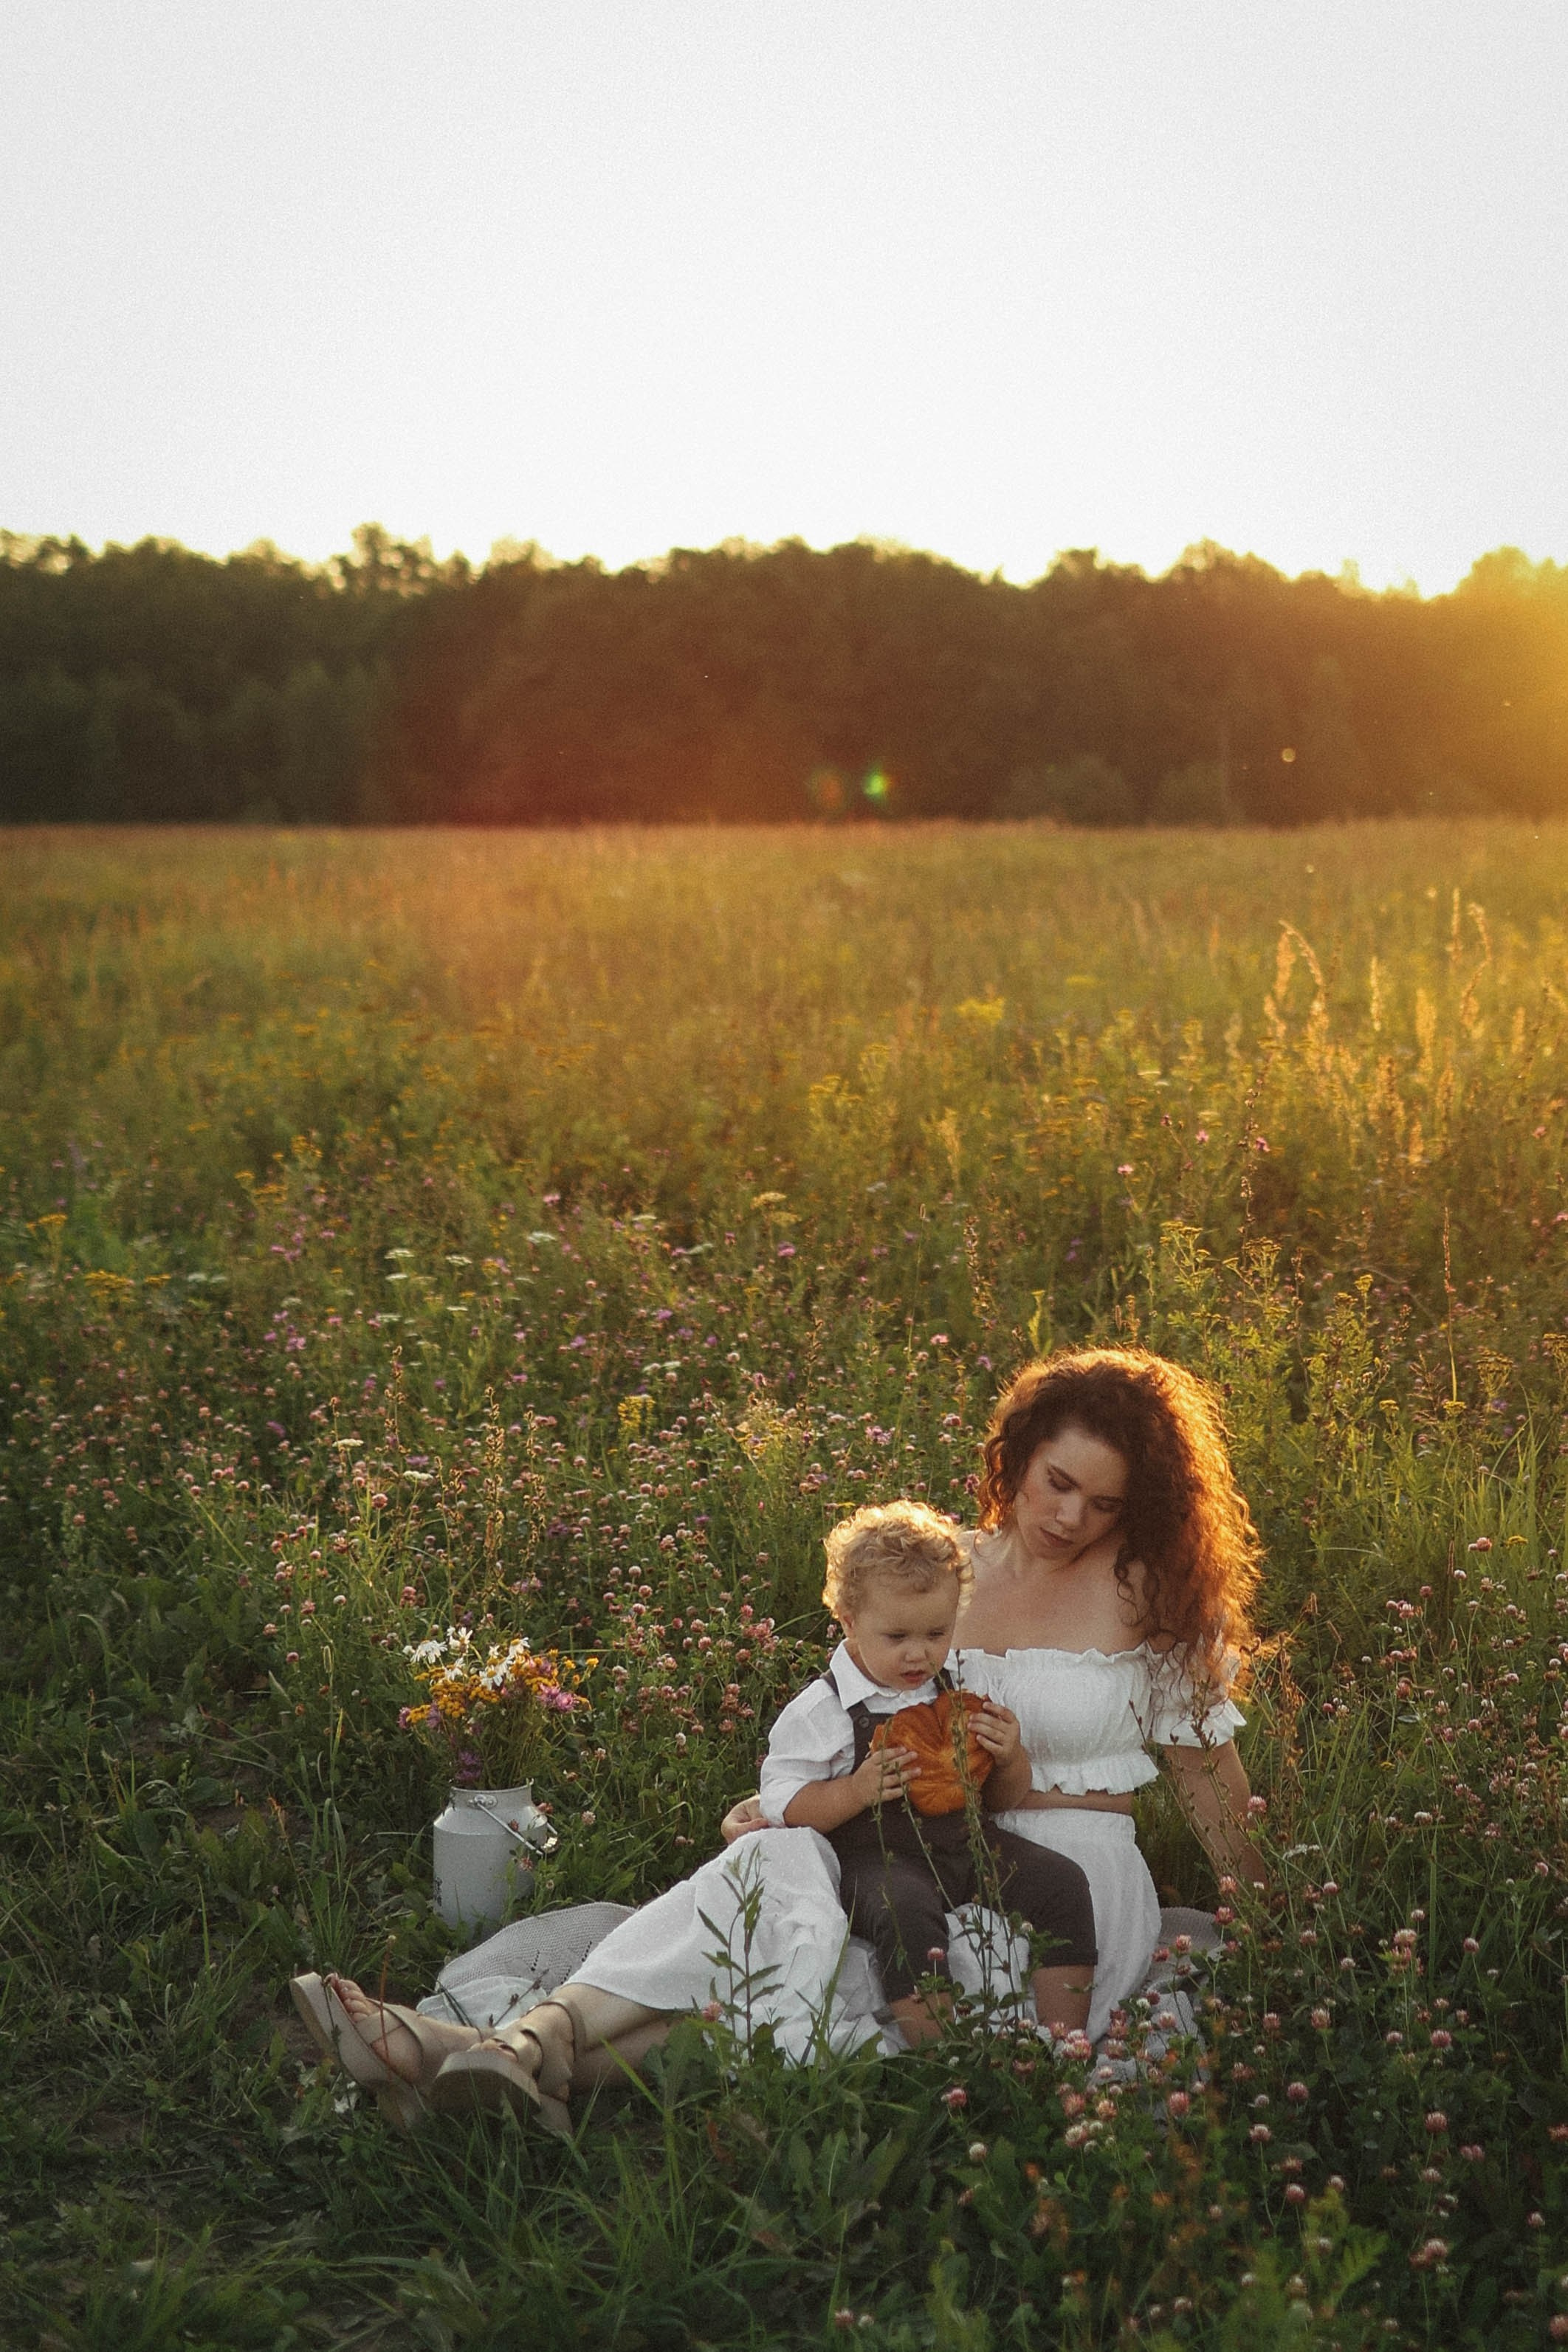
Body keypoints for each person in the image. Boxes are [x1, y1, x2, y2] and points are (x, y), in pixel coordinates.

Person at [297, 1344, 1263, 2125]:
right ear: (1017, 1451)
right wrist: (787, 1800)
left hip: (1064, 1884)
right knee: (782, 1904)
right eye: (1058, 1482)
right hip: (914, 1842)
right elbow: (868, 1717)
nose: (1070, 1516)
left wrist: (1273, 1921)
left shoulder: (1151, 1591)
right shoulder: (946, 1572)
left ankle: (454, 2054)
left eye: (1104, 1502)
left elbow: (1211, 1780)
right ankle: (506, 2056)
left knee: (819, 1979)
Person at [761, 1499, 1097, 2046]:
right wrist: (855, 1790)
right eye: (897, 1638)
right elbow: (783, 1802)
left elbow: (1003, 1799)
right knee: (906, 1911)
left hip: (968, 1843)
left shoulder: (955, 1693)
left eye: (937, 1634)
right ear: (849, 1619)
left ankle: (1064, 2041)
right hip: (877, 1860)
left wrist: (1010, 1756)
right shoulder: (823, 1710)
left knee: (1062, 1882)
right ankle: (946, 2053)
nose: (919, 1654)